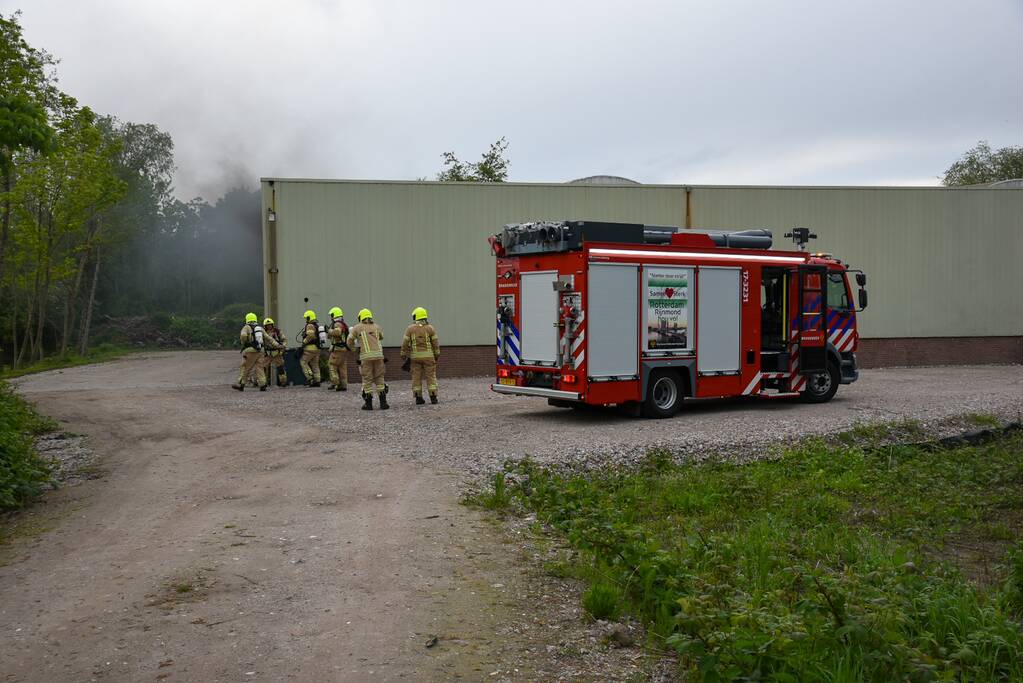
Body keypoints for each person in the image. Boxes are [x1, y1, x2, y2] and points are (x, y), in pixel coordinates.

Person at [346, 308, 388, 410]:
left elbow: (349, 340)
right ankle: (383, 403)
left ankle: (368, 404)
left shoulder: (357, 328)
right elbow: (381, 337)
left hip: (366, 357)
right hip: (379, 356)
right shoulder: (377, 327)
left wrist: (352, 349)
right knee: (379, 378)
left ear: (360, 317)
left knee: (367, 380)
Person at [401, 306, 440, 404]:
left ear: (415, 316)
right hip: (429, 357)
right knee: (431, 376)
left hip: (415, 358)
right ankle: (433, 397)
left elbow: (405, 343)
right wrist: (436, 355)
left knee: (416, 377)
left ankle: (418, 398)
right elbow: (435, 344)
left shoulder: (410, 329)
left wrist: (403, 354)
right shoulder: (430, 328)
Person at [232, 312, 276, 391]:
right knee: (260, 368)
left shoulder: (246, 327)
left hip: (250, 351)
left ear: (247, 319)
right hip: (261, 351)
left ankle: (241, 384)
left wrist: (244, 342)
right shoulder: (260, 328)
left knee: (245, 367)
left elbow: (243, 336)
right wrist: (277, 345)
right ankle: (263, 384)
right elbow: (268, 338)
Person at [326, 306, 350, 392]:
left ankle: (335, 382)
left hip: (338, 349)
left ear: (333, 315)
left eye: (331, 315)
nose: (330, 317)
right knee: (342, 368)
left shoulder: (337, 324)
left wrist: (329, 331)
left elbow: (337, 332)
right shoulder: (342, 323)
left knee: (332, 365)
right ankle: (343, 385)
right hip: (344, 349)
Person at [260, 317, 289, 387]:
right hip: (267, 353)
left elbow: (284, 339)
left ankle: (283, 382)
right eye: (267, 325)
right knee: (263, 367)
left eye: (270, 324)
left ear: (272, 325)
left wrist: (283, 346)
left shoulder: (277, 331)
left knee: (280, 368)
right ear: (265, 326)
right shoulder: (263, 333)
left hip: (277, 353)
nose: (269, 326)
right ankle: (263, 382)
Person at [299, 310, 323, 387]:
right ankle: (317, 380)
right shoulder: (316, 325)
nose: (306, 319)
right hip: (317, 348)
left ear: (309, 318)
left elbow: (310, 335)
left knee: (303, 362)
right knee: (315, 364)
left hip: (310, 348)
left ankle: (310, 379)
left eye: (306, 318)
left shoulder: (310, 325)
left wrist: (304, 342)